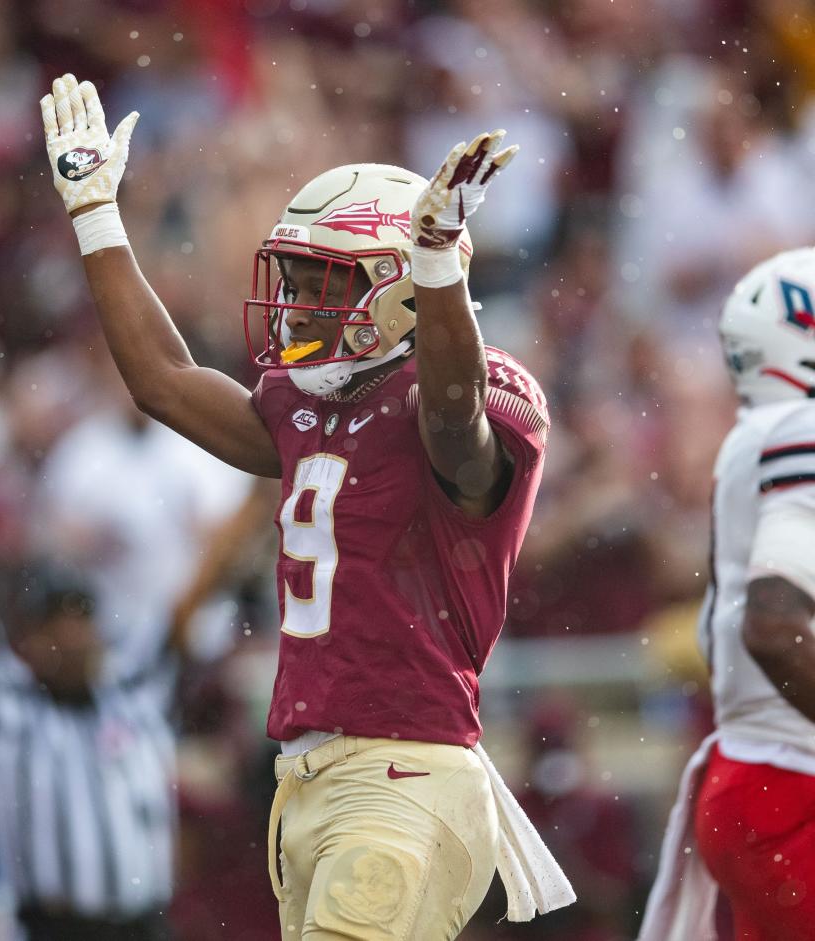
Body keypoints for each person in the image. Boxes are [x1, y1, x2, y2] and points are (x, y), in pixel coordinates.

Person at [40, 73, 575, 938]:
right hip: (311, 777)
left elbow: (453, 420)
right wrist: (97, 215)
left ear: (398, 288)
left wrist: (436, 262)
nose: (296, 303)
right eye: (293, 276)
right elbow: (166, 384)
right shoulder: (303, 401)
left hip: (403, 773)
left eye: (323, 281)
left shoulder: (458, 394)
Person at [0, 387, 178, 941]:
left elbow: (195, 597)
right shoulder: (8, 699)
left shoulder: (136, 687)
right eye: (58, 623)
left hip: (146, 927)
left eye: (81, 618)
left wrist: (265, 492)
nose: (73, 637)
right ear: (31, 639)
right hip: (54, 930)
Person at [638, 248, 815, 941]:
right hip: (791, 781)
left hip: (760, 774)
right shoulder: (799, 430)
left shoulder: (759, 434)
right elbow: (774, 623)